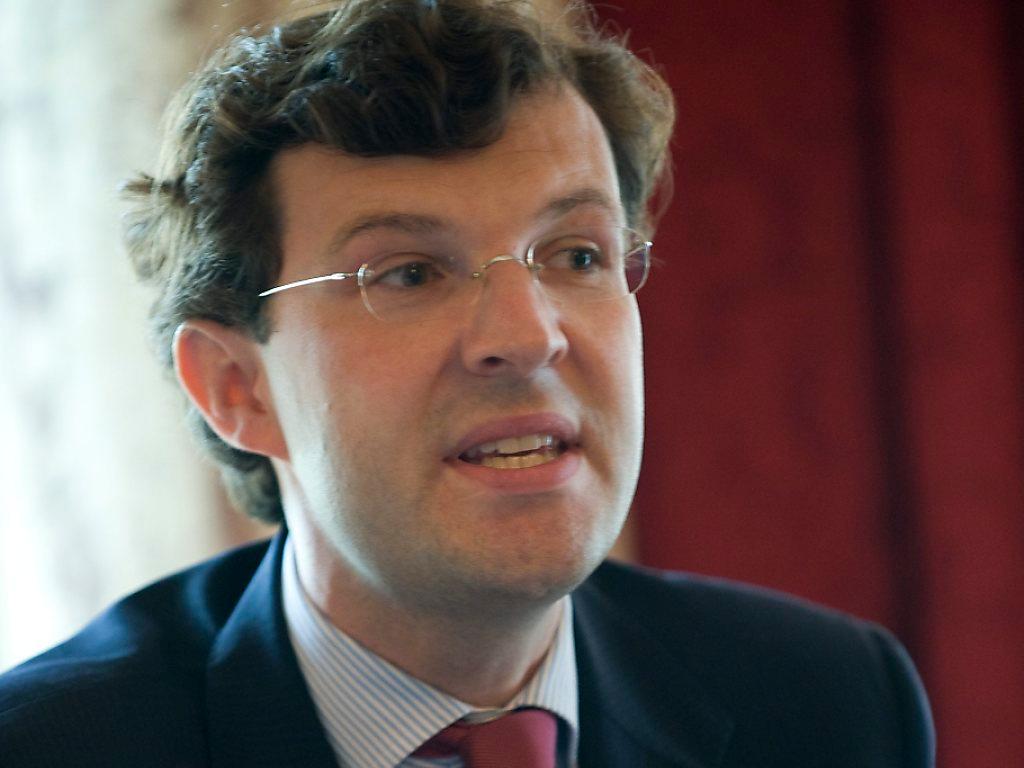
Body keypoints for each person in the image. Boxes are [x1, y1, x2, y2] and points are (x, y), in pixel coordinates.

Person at [0, 1, 935, 766]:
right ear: (237, 387)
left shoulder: (831, 704)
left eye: (576, 254)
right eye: (407, 273)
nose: (527, 338)